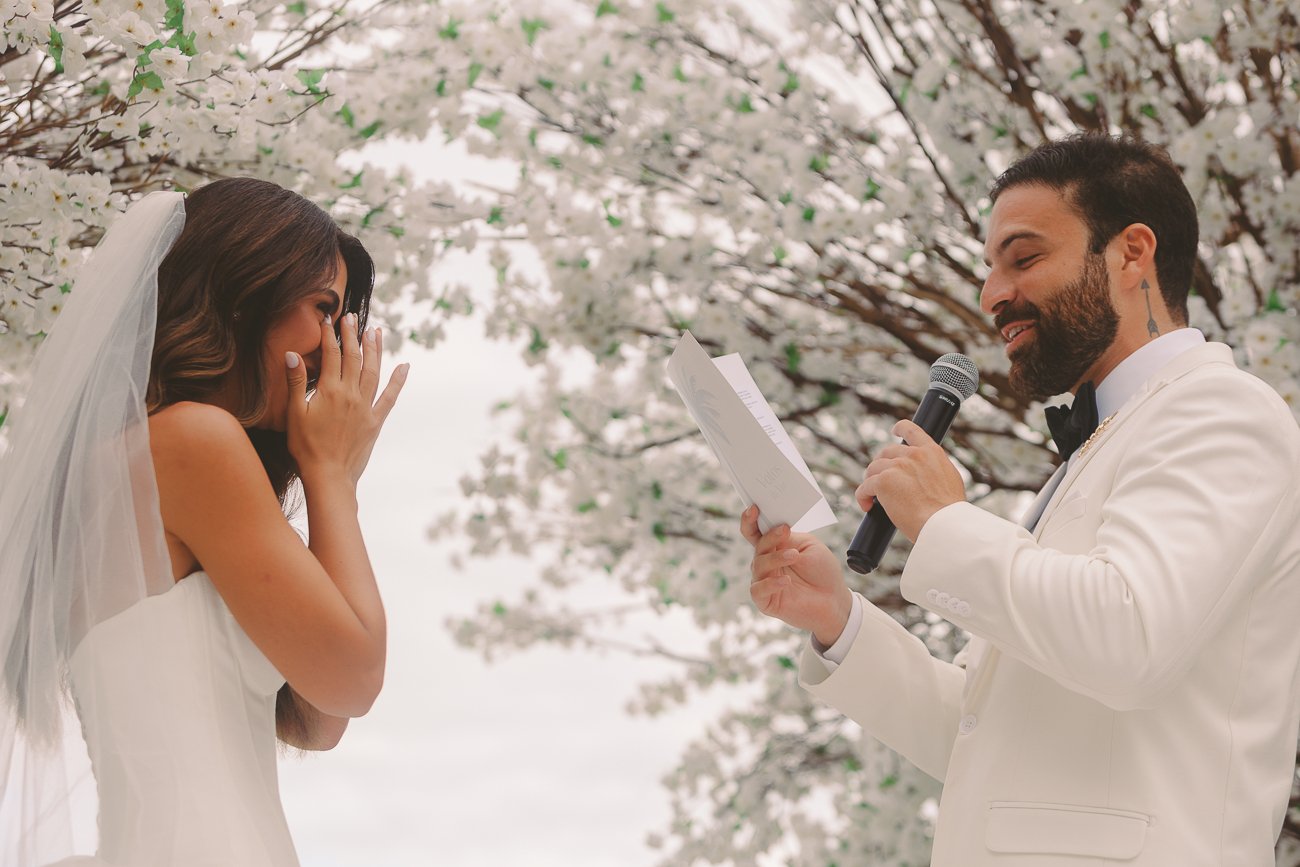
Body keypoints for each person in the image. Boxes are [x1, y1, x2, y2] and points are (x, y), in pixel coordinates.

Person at [743, 133, 1300, 864]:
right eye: (989, 268)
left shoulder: (1224, 411)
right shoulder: (1085, 458)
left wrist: (944, 522)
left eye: (1024, 258)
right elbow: (984, 734)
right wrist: (839, 621)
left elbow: (1127, 640)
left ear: (1133, 254)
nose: (991, 294)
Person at [0, 178, 408, 866]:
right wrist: (331, 479)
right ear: (248, 287)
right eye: (323, 308)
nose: (333, 343)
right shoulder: (192, 441)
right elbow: (353, 679)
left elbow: (317, 717)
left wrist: (337, 482)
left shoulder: (139, 458)